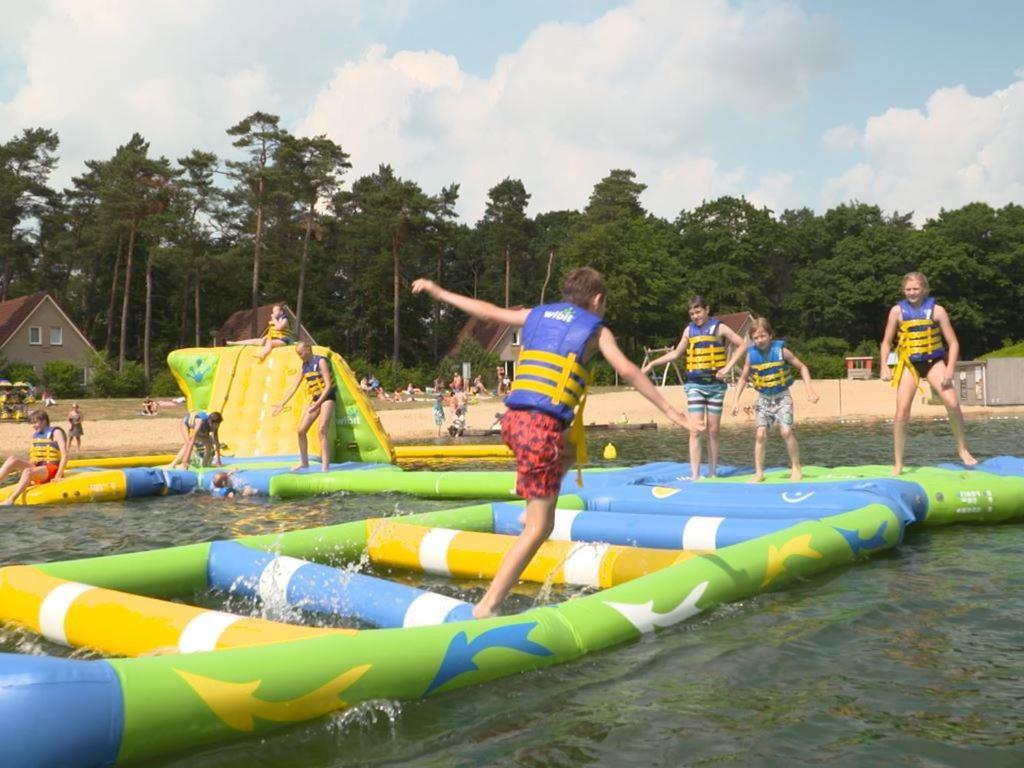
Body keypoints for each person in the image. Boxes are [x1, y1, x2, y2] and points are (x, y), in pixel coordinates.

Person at [413, 267, 694, 618]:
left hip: (513, 423)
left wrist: (438, 291)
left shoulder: (535, 314)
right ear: (598, 300)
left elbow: (485, 310)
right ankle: (488, 605)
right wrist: (671, 411)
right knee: (541, 528)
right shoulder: (597, 330)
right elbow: (628, 371)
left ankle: (527, 515)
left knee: (573, 449)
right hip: (540, 428)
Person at [879, 271, 976, 475]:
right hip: (908, 363)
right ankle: (898, 463)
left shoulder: (938, 311)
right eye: (908, 289)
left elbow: (953, 342)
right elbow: (887, 342)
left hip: (934, 362)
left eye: (916, 289)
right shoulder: (896, 312)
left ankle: (963, 450)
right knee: (901, 412)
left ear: (924, 289)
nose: (912, 292)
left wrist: (950, 369)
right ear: (903, 290)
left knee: (952, 402)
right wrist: (884, 365)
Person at [641, 296, 746, 479]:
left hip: (715, 387)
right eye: (692, 314)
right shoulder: (688, 331)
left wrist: (728, 367)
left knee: (713, 431)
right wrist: (651, 364)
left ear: (707, 309)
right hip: (695, 386)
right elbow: (675, 353)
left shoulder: (719, 327)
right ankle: (695, 475)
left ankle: (712, 474)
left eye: (698, 312)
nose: (695, 316)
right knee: (695, 430)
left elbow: (743, 344)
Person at [730, 318, 819, 482]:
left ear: (770, 335)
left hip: (782, 398)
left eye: (763, 336)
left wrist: (809, 390)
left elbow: (802, 367)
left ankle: (796, 467)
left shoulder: (782, 351)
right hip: (763, 400)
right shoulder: (751, 355)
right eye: (756, 338)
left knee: (786, 431)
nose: (760, 340)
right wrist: (736, 401)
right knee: (760, 434)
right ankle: (759, 472)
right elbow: (743, 378)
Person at [273, 341, 336, 472]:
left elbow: (328, 385)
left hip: (327, 398)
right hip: (316, 399)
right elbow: (294, 386)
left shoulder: (320, 362)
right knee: (301, 431)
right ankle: (304, 463)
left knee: (322, 430)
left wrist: (318, 403)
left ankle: (325, 467)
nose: (299, 356)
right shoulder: (304, 366)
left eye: (300, 353)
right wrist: (281, 403)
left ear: (308, 349)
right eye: (298, 354)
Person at [0, 410, 68, 505]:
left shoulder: (56, 432)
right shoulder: (36, 434)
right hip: (39, 468)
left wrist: (58, 475)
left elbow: (65, 455)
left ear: (44, 421)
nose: (33, 426)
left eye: (35, 422)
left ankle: (10, 500)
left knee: (28, 471)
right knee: (12, 459)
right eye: (32, 423)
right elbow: (34, 457)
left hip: (51, 469)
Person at [226, 304, 293, 362]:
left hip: (283, 340)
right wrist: (266, 337)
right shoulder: (274, 321)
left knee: (269, 343)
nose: (273, 313)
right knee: (255, 341)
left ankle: (262, 354)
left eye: (275, 311)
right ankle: (233, 343)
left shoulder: (285, 319)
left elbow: (279, 327)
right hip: (273, 338)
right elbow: (272, 331)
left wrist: (274, 318)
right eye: (273, 311)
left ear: (281, 312)